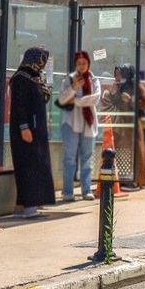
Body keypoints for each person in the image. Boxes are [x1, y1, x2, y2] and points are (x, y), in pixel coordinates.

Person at [9, 47, 56, 217]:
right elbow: (19, 106)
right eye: (41, 59)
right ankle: (28, 205)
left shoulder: (35, 77)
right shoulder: (21, 78)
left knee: (38, 164)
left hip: (37, 130)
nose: (42, 64)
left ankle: (28, 203)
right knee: (28, 165)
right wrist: (24, 128)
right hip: (26, 130)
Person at [57, 50, 101, 201]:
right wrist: (74, 88)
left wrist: (76, 101)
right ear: (76, 64)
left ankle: (86, 190)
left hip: (88, 124)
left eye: (84, 63)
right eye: (79, 63)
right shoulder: (69, 80)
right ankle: (67, 192)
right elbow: (62, 100)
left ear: (88, 64)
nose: (82, 66)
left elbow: (95, 99)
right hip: (71, 123)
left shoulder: (94, 80)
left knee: (87, 158)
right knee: (69, 158)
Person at [104, 63, 145, 189]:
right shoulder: (120, 87)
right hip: (122, 124)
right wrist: (113, 93)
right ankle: (124, 179)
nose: (118, 77)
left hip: (133, 122)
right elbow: (115, 103)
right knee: (122, 151)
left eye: (120, 74)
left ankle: (137, 180)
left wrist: (130, 100)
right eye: (116, 74)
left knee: (136, 151)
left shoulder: (136, 86)